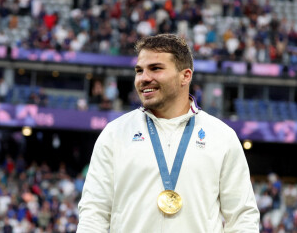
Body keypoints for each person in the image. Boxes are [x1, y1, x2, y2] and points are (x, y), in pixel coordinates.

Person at [77, 33, 260, 232]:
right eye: (139, 71)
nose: (144, 78)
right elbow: (94, 212)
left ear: (185, 76)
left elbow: (243, 216)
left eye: (156, 68)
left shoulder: (222, 137)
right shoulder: (115, 133)